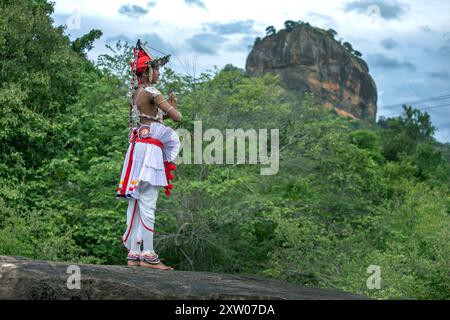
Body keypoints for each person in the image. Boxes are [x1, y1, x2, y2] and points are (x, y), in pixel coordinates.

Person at [116, 41, 182, 270]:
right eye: (156, 68)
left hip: (136, 148)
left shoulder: (135, 94)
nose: (159, 73)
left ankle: (134, 253)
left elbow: (143, 120)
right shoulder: (153, 92)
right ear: (147, 70)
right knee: (148, 202)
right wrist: (172, 104)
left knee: (135, 201)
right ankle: (149, 255)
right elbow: (177, 118)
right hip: (149, 150)